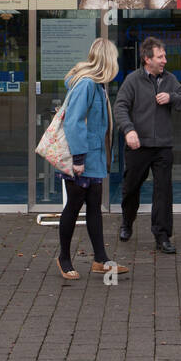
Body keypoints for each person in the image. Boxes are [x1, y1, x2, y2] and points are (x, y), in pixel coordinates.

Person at [56, 38, 130, 282]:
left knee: (94, 208)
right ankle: (64, 259)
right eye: (115, 58)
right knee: (74, 205)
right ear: (107, 59)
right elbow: (73, 121)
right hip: (83, 158)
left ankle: (101, 259)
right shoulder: (86, 85)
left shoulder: (97, 85)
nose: (117, 63)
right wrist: (78, 158)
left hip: (94, 157)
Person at [113, 36, 181, 254]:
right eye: (160, 56)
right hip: (138, 146)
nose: (165, 60)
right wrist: (129, 130)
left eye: (164, 56)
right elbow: (120, 107)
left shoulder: (170, 80)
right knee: (131, 189)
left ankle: (162, 235)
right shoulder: (132, 80)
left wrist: (172, 97)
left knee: (163, 192)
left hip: (163, 147)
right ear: (147, 59)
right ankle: (127, 222)